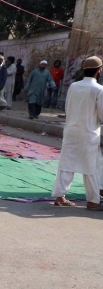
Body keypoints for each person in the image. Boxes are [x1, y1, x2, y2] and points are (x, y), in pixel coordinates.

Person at [52, 56, 103, 210]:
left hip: (71, 130)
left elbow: (68, 108)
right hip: (89, 132)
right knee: (92, 167)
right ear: (99, 71)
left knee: (66, 163)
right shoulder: (99, 89)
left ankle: (60, 196)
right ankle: (93, 200)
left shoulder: (74, 86)